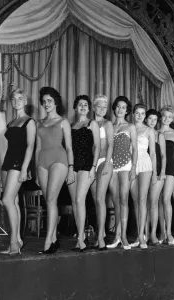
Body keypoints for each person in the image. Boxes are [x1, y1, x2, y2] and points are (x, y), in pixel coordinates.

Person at [36, 87, 75, 254]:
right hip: (42, 162)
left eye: (49, 101)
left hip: (59, 160)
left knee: (51, 200)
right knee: (48, 201)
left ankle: (48, 242)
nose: (46, 104)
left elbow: (69, 148)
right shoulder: (39, 122)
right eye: (44, 101)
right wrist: (36, 169)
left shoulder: (63, 121)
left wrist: (71, 168)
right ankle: (54, 239)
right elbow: (37, 149)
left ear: (56, 102)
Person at [0, 88, 36, 255]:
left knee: (7, 200)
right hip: (7, 162)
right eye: (13, 99)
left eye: (20, 98)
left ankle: (14, 242)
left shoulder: (30, 122)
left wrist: (24, 169)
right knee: (13, 201)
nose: (16, 101)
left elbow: (30, 147)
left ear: (25, 101)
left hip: (19, 162)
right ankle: (17, 241)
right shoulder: (11, 123)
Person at [68, 95, 100, 252]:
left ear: (89, 108)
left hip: (87, 164)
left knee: (80, 199)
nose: (82, 107)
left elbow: (98, 147)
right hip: (72, 165)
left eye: (85, 104)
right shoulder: (70, 125)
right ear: (75, 107)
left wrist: (94, 167)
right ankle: (81, 236)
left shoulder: (92, 123)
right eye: (79, 104)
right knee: (75, 202)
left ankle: (80, 239)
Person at [107, 96, 137, 250]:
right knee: (116, 200)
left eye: (123, 107)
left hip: (126, 165)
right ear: (114, 108)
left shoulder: (130, 126)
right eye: (118, 106)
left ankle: (124, 235)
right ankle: (117, 235)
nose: (120, 109)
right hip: (112, 165)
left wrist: (134, 168)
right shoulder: (109, 126)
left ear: (127, 110)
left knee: (124, 199)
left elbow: (135, 149)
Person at [129, 104, 157, 249]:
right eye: (137, 113)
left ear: (145, 115)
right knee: (135, 201)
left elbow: (152, 153)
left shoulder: (149, 130)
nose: (140, 116)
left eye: (142, 113)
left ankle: (141, 236)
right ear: (133, 114)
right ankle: (140, 235)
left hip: (145, 163)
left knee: (142, 199)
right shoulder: (129, 127)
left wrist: (155, 173)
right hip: (131, 164)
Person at [90, 94, 114, 250]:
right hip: (91, 164)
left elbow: (111, 145)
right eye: (99, 106)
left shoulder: (107, 123)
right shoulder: (89, 123)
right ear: (94, 107)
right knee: (96, 201)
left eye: (104, 107)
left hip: (105, 161)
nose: (102, 109)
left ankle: (100, 238)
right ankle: (102, 233)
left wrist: (106, 164)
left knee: (100, 198)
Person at [158, 105, 174, 245]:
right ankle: (162, 232)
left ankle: (169, 233)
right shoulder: (154, 132)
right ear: (161, 116)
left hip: (171, 168)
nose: (167, 119)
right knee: (158, 201)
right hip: (158, 167)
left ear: (172, 119)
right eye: (165, 116)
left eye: (170, 117)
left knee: (166, 199)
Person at [145, 109, 166, 245]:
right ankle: (144, 234)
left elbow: (163, 155)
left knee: (153, 202)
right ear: (146, 119)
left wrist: (162, 172)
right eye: (150, 119)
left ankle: (153, 234)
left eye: (155, 119)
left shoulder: (159, 135)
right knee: (143, 204)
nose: (152, 122)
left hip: (157, 171)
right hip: (143, 171)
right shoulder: (140, 133)